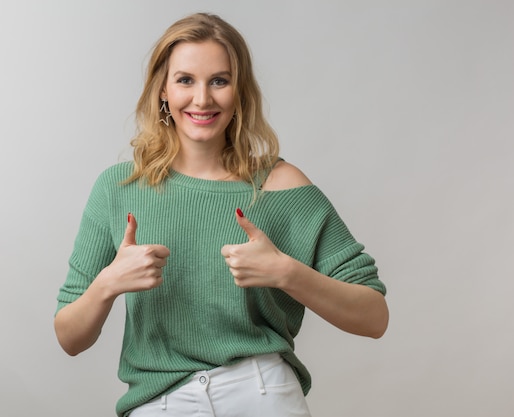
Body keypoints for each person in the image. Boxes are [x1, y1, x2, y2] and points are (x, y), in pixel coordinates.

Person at [54, 12, 388, 417]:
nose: (202, 99)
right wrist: (109, 282)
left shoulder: (281, 185)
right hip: (158, 403)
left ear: (239, 89)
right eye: (185, 80)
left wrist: (285, 272)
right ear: (163, 88)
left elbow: (374, 317)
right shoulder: (117, 188)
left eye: (219, 80)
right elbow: (69, 337)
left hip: (261, 393)